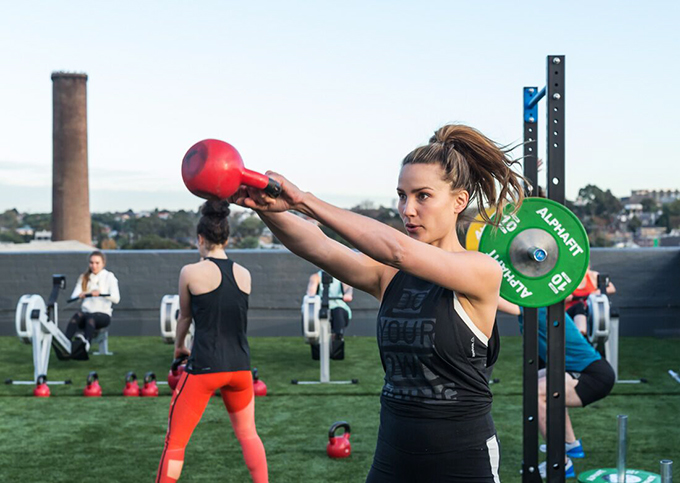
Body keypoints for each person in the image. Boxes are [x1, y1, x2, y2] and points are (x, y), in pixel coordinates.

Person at [231, 124, 526, 482]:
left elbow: (398, 250)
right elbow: (319, 246)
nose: (408, 209)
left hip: (461, 461)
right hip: (393, 456)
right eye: (402, 195)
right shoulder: (387, 276)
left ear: (459, 202)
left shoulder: (480, 271)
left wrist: (304, 199)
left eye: (423, 196)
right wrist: (266, 207)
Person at [155, 200, 268, 483]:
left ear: (200, 239)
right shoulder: (245, 274)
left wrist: (179, 347)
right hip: (241, 369)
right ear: (227, 238)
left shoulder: (190, 272)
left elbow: (185, 317)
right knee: (249, 435)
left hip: (205, 367)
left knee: (175, 442)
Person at [498, 300, 616, 479]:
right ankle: (570, 443)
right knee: (534, 382)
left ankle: (560, 461)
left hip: (593, 375)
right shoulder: (540, 305)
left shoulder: (538, 306)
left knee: (537, 395)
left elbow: (495, 299)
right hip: (577, 370)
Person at [65, 250, 120, 354]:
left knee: (91, 317)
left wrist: (100, 293)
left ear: (103, 263)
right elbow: (73, 297)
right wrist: (80, 295)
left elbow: (116, 298)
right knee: (77, 315)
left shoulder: (109, 277)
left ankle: (85, 345)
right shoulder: (84, 277)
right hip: (86, 315)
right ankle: (65, 343)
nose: (94, 265)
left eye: (97, 263)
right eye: (91, 262)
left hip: (102, 316)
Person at [306, 270, 353, 360]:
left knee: (338, 312)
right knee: (315, 316)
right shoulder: (316, 277)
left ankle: (337, 338)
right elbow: (311, 290)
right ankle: (316, 343)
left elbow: (348, 288)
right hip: (321, 307)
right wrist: (311, 295)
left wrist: (348, 294)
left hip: (338, 306)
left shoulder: (342, 276)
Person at [566, 266, 616, 335]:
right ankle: (580, 334)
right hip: (569, 313)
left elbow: (612, 288)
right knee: (579, 306)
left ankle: (583, 334)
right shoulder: (566, 278)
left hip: (590, 312)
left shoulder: (593, 275)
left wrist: (599, 291)